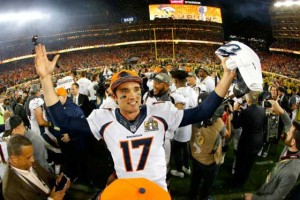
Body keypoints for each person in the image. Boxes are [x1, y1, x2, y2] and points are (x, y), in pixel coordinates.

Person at [34, 43, 236, 190]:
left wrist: (227, 76)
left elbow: (203, 111)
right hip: (126, 189)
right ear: (113, 96)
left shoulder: (161, 112)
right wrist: (45, 78)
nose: (132, 96)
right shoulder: (103, 118)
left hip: (156, 189)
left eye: (136, 89)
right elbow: (62, 121)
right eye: (124, 91)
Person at [245, 100, 300, 200]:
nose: (286, 133)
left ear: (292, 142)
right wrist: (281, 111)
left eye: (289, 133)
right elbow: (288, 124)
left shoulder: (291, 173)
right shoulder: (294, 146)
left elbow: (276, 197)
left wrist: (253, 198)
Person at [2, 134, 70, 200]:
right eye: (28, 157)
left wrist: (56, 180)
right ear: (14, 159)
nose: (33, 159)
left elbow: (46, 175)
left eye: (32, 155)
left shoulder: (30, 161)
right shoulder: (9, 190)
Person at [232, 91, 266, 187]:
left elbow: (236, 124)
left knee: (240, 163)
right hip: (258, 141)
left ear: (248, 100)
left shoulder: (246, 112)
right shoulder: (262, 110)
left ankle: (236, 182)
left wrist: (235, 111)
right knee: (249, 164)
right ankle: (243, 180)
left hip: (247, 142)